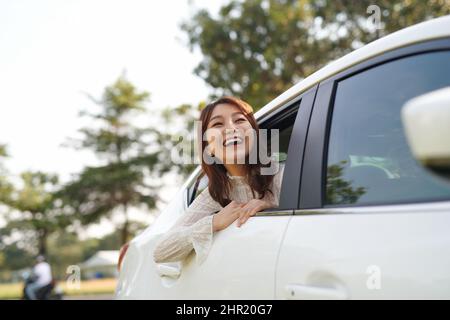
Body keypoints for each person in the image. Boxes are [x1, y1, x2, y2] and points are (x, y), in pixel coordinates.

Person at [153, 96, 285, 265]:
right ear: (208, 147)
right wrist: (214, 222)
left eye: (239, 120)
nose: (231, 128)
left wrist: (270, 204)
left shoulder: (282, 174)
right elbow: (160, 252)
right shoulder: (215, 194)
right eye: (217, 124)